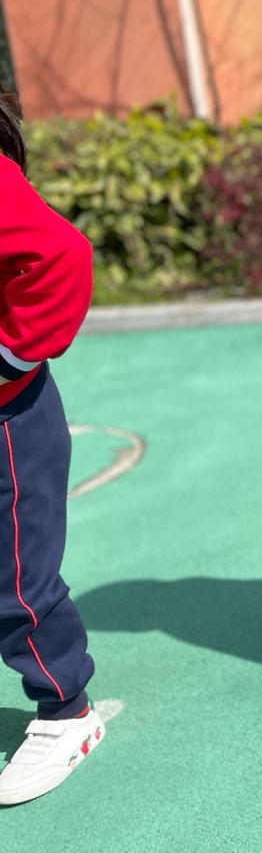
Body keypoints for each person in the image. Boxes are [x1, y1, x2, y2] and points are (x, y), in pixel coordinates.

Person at [0, 98, 105, 805]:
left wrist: (9, 358)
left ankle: (66, 710)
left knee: (16, 581)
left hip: (8, 421)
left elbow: (62, 255)